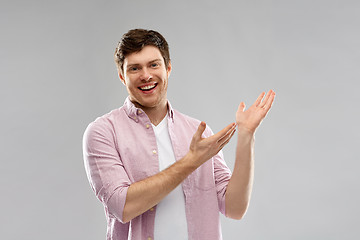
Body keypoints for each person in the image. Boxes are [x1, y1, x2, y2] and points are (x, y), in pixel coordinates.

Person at [83, 29, 275, 240]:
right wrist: (191, 161)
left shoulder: (197, 132)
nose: (146, 75)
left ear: (168, 68)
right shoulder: (102, 132)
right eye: (135, 68)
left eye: (154, 64)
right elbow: (123, 206)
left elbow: (235, 208)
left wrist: (246, 136)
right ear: (122, 76)